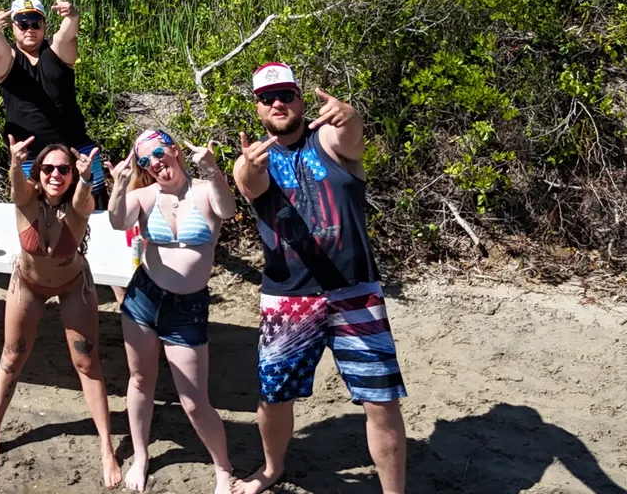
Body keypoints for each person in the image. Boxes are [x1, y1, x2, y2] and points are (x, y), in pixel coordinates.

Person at [230, 63, 407, 494]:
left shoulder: (326, 137)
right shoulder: (253, 157)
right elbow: (249, 182)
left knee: (381, 402)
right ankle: (272, 468)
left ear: (300, 99)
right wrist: (251, 165)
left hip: (356, 292)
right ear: (256, 107)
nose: (278, 103)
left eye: (286, 95)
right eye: (267, 98)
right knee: (275, 398)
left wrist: (352, 117)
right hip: (287, 298)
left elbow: (350, 138)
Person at [0, 137, 121, 487]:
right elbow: (16, 184)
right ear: (37, 172)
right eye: (48, 168)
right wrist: (15, 163)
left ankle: (107, 448)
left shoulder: (78, 204)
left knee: (87, 362)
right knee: (12, 357)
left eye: (63, 169)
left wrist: (87, 179)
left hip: (73, 284)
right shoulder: (25, 198)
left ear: (71, 175)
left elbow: (84, 199)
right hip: (28, 283)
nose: (56, 174)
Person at [107, 130, 237, 494]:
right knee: (140, 381)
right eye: (146, 161)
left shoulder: (202, 190)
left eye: (160, 153)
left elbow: (228, 209)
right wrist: (118, 184)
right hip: (144, 299)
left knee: (194, 402)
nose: (155, 164)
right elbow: (118, 221)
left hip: (187, 308)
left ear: (175, 151)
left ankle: (223, 470)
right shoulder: (143, 196)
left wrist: (213, 171)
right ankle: (141, 455)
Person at [0, 0, 104, 206]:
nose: (29, 28)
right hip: (29, 157)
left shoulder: (57, 49)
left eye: (35, 23)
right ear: (12, 27)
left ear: (44, 25)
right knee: (32, 214)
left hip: (76, 150)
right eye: (22, 23)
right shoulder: (6, 57)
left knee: (94, 212)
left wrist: (73, 15)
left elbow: (67, 33)